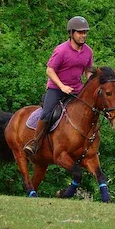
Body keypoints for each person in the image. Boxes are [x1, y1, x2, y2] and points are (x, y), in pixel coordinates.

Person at [24, 16, 95, 155]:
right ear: (71, 33)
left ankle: (89, 144)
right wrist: (62, 86)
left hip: (77, 89)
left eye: (85, 32)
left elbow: (88, 70)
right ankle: (35, 142)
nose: (83, 35)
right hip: (56, 89)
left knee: (90, 111)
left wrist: (90, 84)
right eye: (80, 32)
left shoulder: (88, 51)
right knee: (47, 113)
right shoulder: (61, 50)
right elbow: (49, 70)